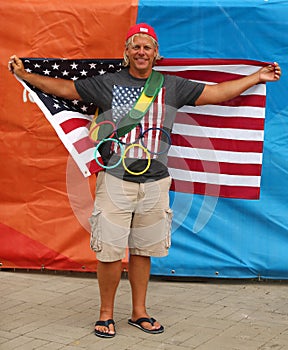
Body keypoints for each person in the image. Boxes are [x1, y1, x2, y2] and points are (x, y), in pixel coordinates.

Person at [8, 23, 281, 338]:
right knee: (110, 251)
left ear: (155, 53)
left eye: (147, 47)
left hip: (155, 183)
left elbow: (216, 93)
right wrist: (26, 75)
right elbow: (65, 89)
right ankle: (106, 315)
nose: (141, 52)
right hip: (114, 180)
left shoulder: (171, 85)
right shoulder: (107, 83)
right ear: (126, 52)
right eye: (136, 46)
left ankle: (139, 313)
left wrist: (256, 78)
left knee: (142, 251)